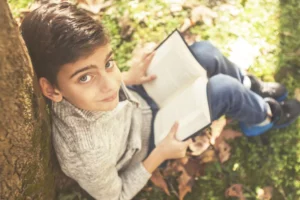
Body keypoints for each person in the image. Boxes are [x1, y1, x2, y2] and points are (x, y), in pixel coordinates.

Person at [20, 2, 300, 200]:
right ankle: (263, 117)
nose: (110, 83)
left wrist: (127, 77)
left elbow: (107, 81)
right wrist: (161, 155)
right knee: (222, 90)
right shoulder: (86, 154)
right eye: (85, 78)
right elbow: (116, 195)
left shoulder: (97, 92)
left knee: (205, 53)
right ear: (51, 90)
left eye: (108, 63)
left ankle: (249, 86)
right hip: (151, 140)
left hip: (139, 102)